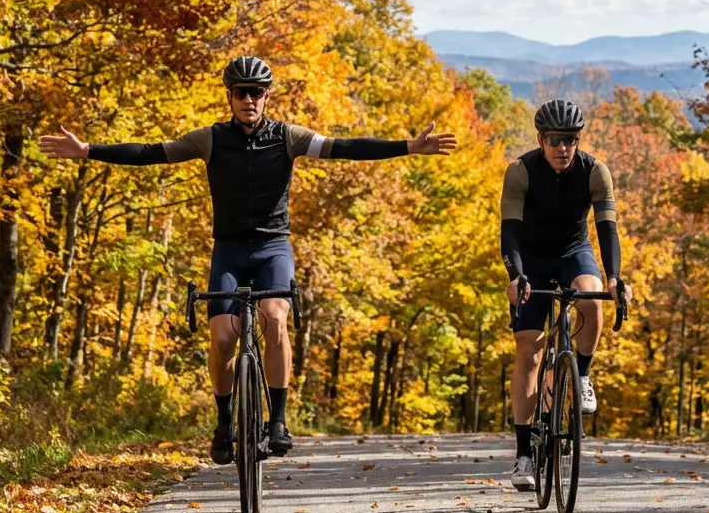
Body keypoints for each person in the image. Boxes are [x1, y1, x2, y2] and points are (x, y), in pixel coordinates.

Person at [39, 55, 457, 465]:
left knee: (275, 318)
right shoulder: (210, 139)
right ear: (230, 96)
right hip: (230, 251)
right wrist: (88, 150)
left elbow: (344, 147)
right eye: (241, 92)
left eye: (256, 92)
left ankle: (278, 421)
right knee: (223, 338)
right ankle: (225, 422)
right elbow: (151, 152)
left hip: (273, 248)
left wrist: (408, 147)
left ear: (267, 95)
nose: (249, 99)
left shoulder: (288, 137)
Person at [499, 98, 630, 489]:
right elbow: (509, 232)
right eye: (555, 139)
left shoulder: (595, 171)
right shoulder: (520, 171)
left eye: (571, 139)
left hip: (574, 252)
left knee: (592, 296)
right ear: (540, 138)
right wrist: (516, 276)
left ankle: (582, 375)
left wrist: (615, 277)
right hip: (531, 258)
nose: (563, 147)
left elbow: (608, 229)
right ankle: (524, 454)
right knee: (529, 350)